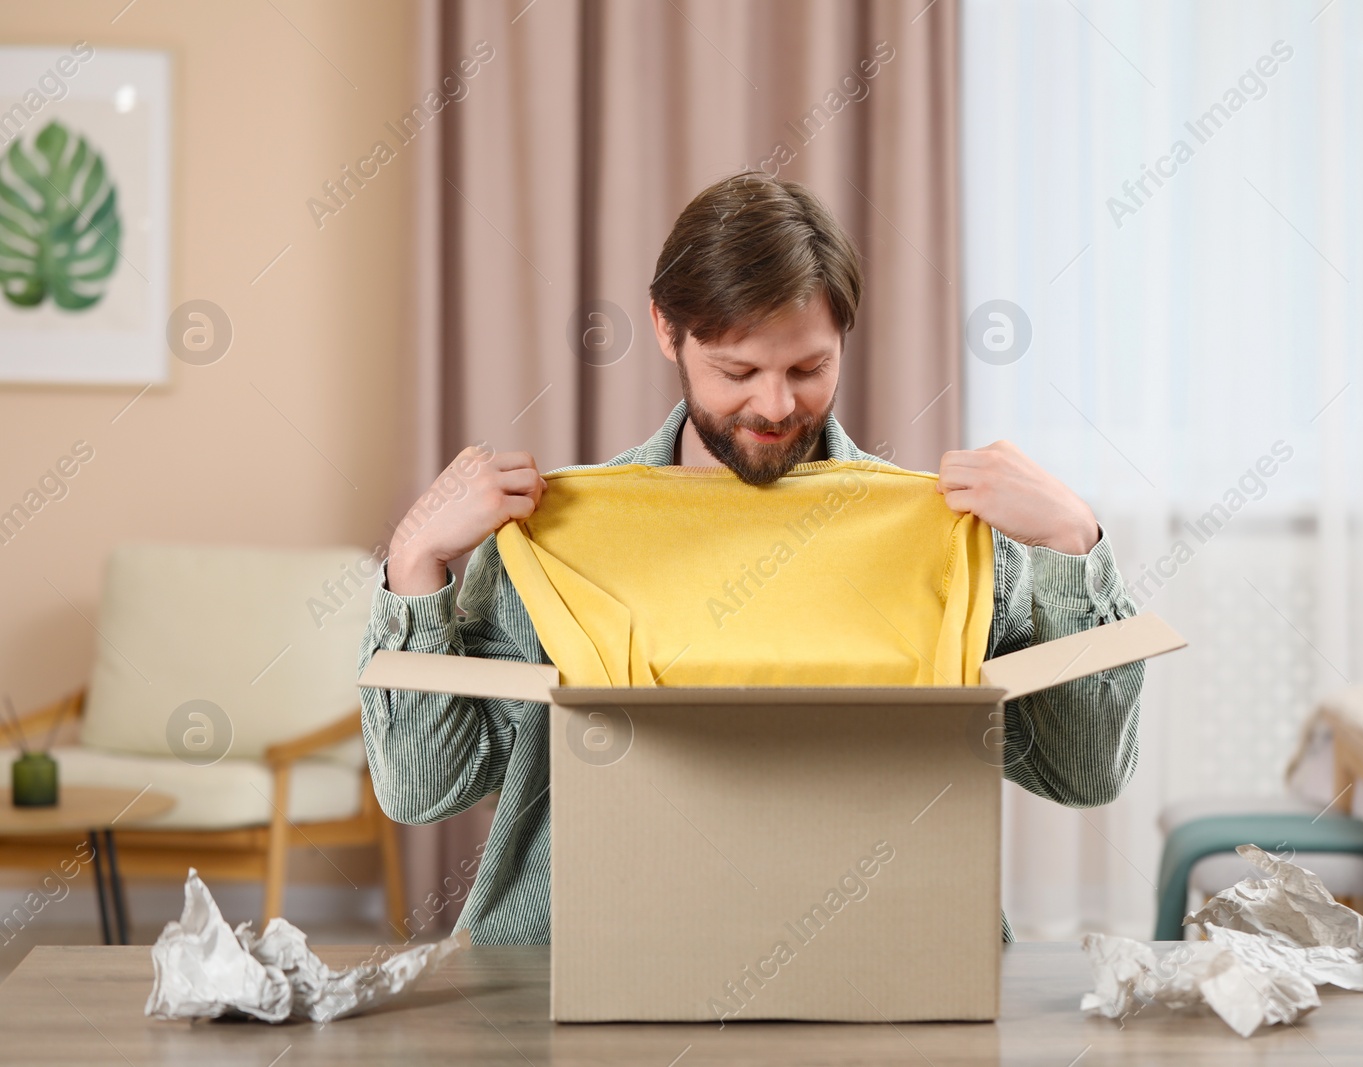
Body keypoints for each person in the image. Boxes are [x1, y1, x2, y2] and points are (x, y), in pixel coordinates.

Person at [359, 172, 1143, 945]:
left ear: (843, 339)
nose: (775, 406)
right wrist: (416, 559)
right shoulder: (556, 541)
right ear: (667, 330)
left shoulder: (943, 537)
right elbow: (425, 788)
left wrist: (1074, 544)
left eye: (809, 368)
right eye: (738, 371)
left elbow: (1085, 773)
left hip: (887, 958)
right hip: (587, 963)